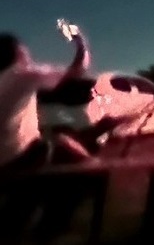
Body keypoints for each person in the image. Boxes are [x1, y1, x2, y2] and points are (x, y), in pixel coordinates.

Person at [0, 30, 94, 239]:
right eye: (25, 51)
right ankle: (48, 229)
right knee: (78, 170)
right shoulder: (24, 74)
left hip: (9, 158)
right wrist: (80, 41)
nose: (29, 55)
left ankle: (20, 220)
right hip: (15, 159)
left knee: (57, 144)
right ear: (18, 54)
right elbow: (78, 70)